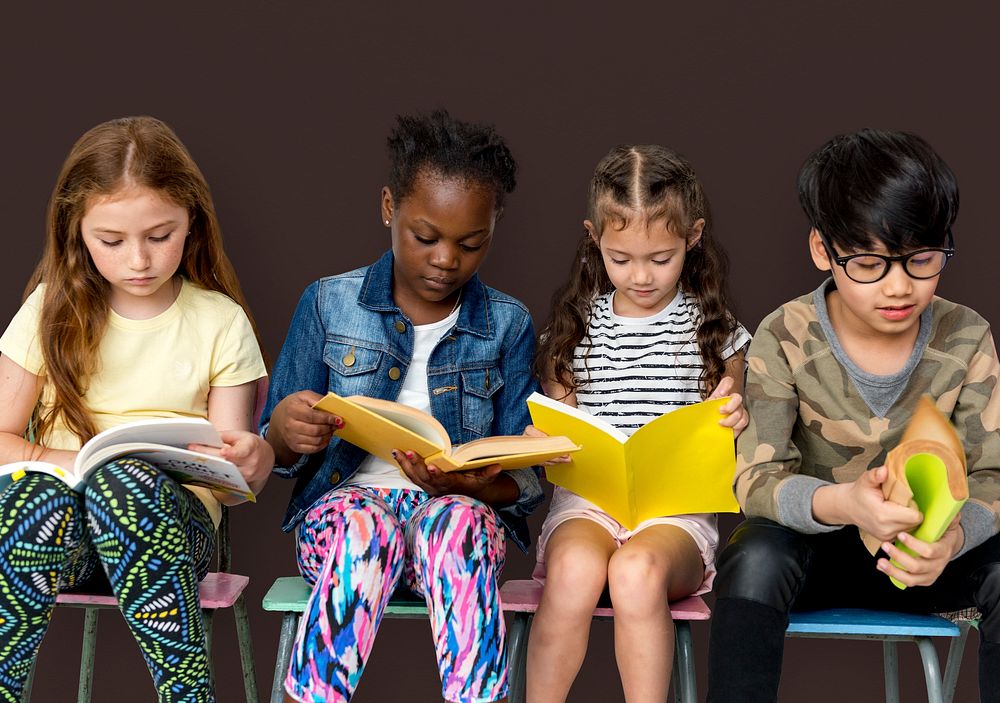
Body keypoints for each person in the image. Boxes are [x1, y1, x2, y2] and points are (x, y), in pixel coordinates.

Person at [706, 129, 1000, 702]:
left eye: (922, 260)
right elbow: (756, 481)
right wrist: (844, 503)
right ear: (823, 250)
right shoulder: (785, 334)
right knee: (754, 552)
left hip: (930, 559)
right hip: (821, 552)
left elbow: (993, 477)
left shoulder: (966, 335)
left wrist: (954, 539)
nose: (898, 286)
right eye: (868, 262)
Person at [261, 110, 543, 703]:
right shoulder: (328, 303)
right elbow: (274, 449)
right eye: (426, 237)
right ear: (389, 207)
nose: (446, 259)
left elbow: (528, 475)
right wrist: (288, 428)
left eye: (471, 244)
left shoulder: (509, 325)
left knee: (457, 524)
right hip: (345, 521)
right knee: (368, 526)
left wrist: (471, 488)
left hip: (454, 522)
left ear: (494, 227)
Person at [0, 116, 272, 702]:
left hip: (172, 535)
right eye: (112, 241)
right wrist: (71, 462)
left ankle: (186, 692)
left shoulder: (219, 321)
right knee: (25, 497)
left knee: (125, 485)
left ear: (191, 223)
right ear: (76, 231)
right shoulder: (49, 311)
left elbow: (227, 476)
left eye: (160, 235)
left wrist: (250, 458)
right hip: (60, 539)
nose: (139, 260)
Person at [526, 145, 750, 703]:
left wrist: (737, 415)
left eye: (661, 257)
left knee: (635, 572)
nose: (642, 275)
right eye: (621, 258)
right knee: (575, 570)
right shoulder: (572, 331)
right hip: (587, 508)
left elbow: (732, 420)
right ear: (594, 238)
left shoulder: (716, 333)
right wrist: (544, 440)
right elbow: (561, 428)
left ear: (693, 237)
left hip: (672, 520)